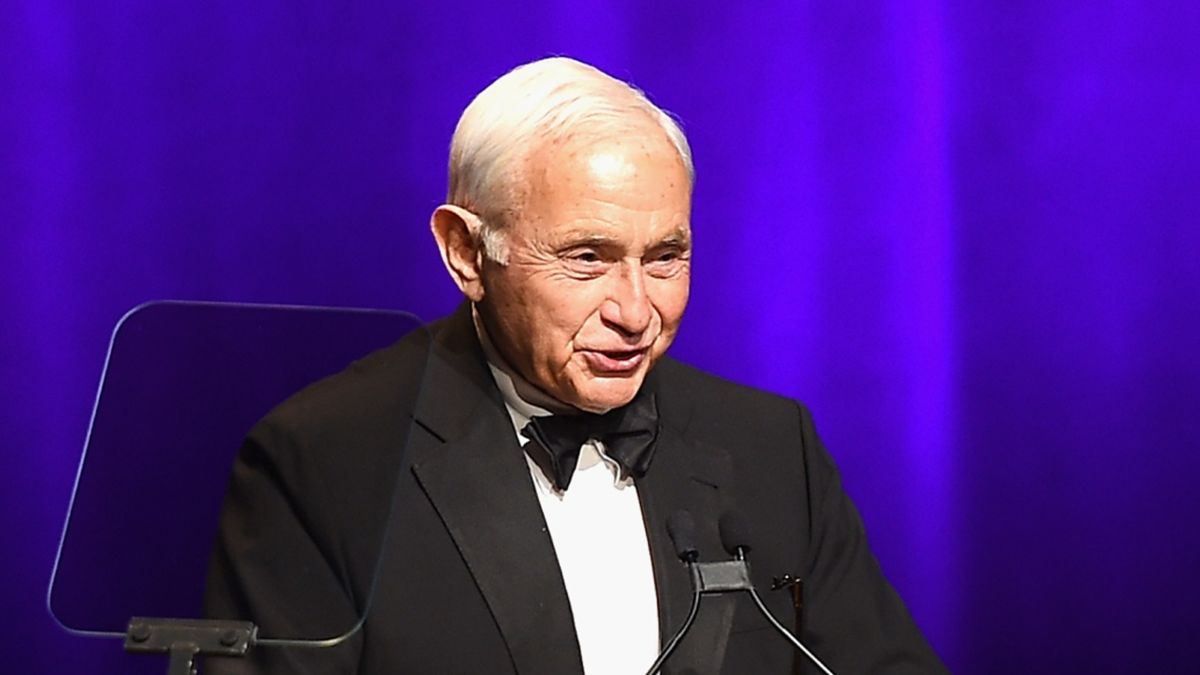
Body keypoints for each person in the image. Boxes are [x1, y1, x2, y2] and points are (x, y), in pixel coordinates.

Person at [205, 57, 947, 674]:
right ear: (466, 251)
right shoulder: (326, 458)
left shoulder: (771, 445)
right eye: (587, 258)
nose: (635, 310)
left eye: (665, 258)